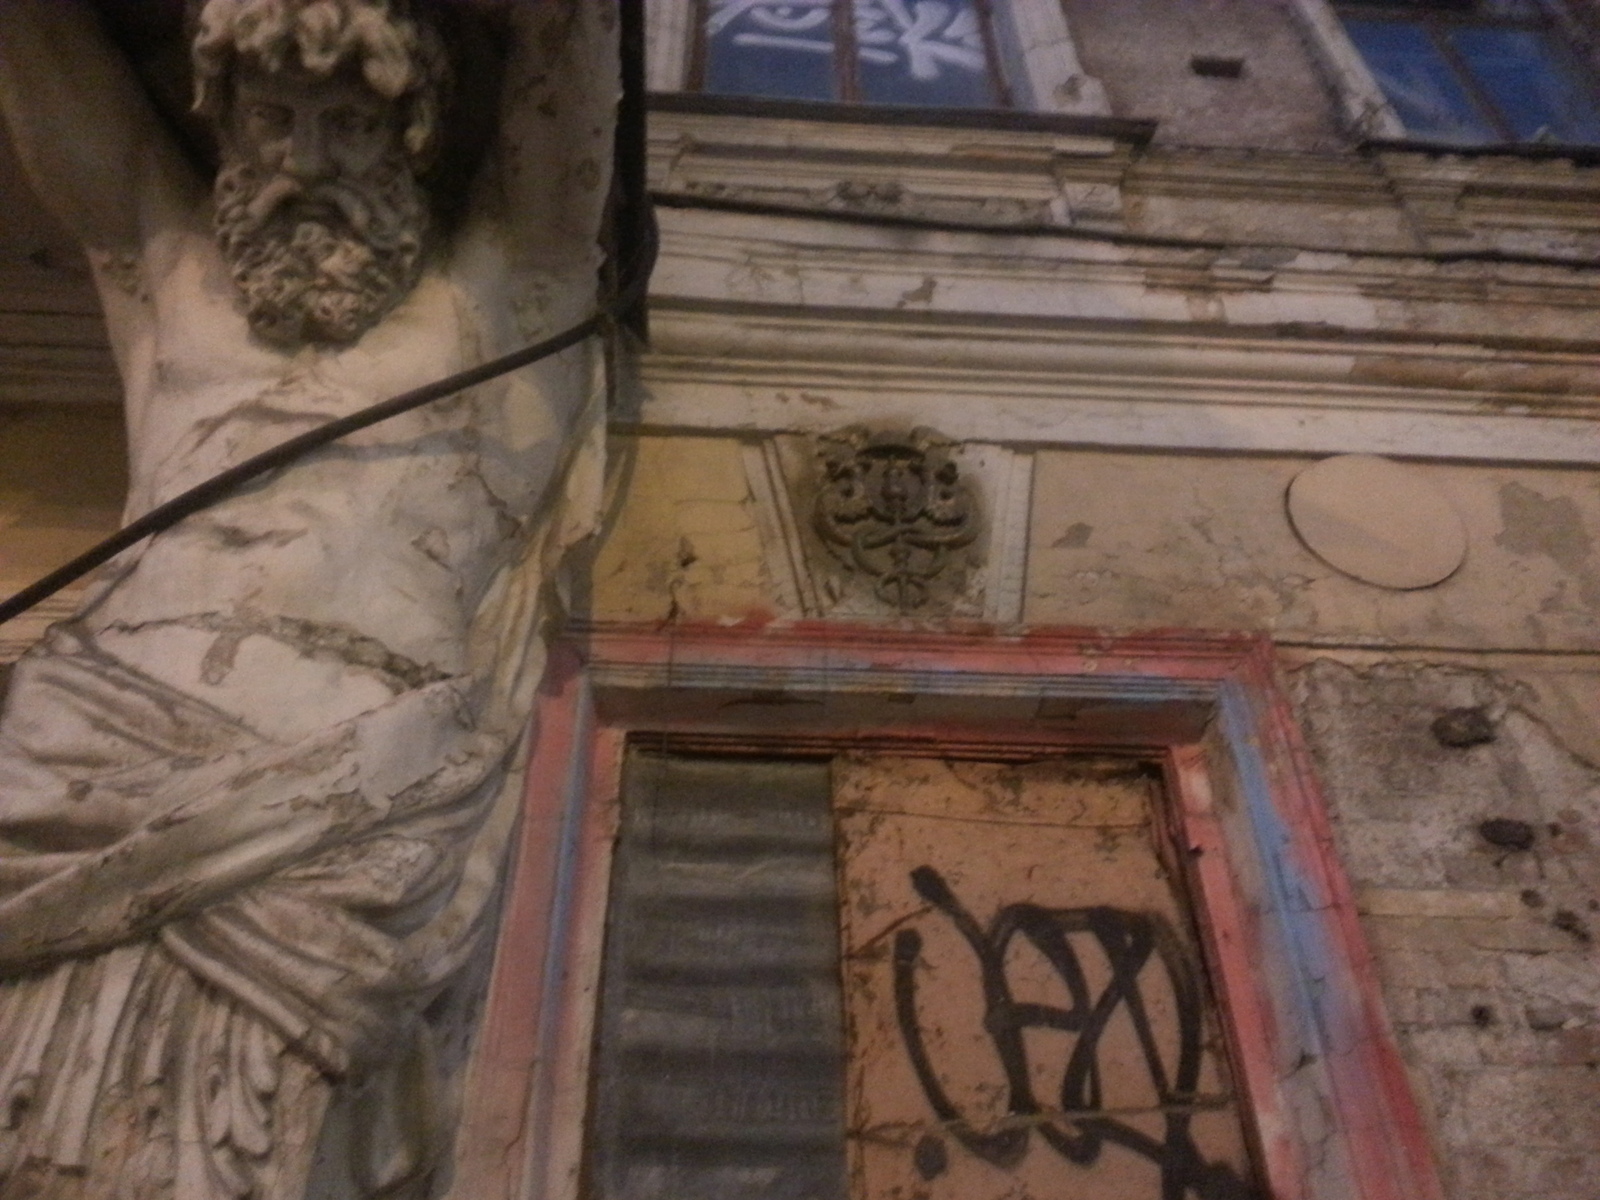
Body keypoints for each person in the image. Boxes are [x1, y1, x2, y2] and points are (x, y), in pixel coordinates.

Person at [0, 2, 615, 1196]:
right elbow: (46, 61)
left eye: (347, 125)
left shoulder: (502, 294)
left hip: (334, 802)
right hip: (79, 768)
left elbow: (566, 80)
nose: (306, 162)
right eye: (273, 121)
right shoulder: (171, 273)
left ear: (414, 131)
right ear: (224, 124)